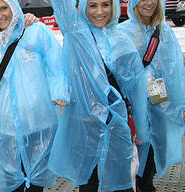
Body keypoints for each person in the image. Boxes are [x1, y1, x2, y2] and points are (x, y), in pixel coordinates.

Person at [0, 0, 69, 191]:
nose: (0, 15)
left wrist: (59, 91)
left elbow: (56, 62)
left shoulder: (35, 31)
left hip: (38, 124)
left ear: (14, 8)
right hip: (5, 126)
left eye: (4, 8)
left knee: (36, 183)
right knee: (11, 184)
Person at [48, 0, 148, 191]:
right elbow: (62, 5)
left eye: (106, 4)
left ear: (114, 7)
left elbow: (137, 89)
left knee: (120, 182)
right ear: (83, 7)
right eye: (92, 5)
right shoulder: (77, 34)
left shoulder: (122, 40)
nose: (99, 12)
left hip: (117, 123)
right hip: (85, 125)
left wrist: (141, 130)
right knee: (88, 182)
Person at [118, 0, 185, 191]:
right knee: (132, 165)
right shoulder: (122, 33)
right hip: (132, 112)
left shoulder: (165, 32)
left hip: (159, 109)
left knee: (150, 164)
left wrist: (180, 105)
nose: (148, 3)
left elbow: (176, 72)